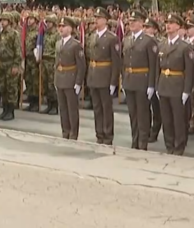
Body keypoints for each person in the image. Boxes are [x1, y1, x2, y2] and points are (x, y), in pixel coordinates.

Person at [156, 13, 194, 155]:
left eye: (172, 23)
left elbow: (189, 71)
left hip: (177, 85)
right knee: (166, 118)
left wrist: (187, 90)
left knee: (178, 119)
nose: (168, 25)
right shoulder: (162, 45)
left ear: (178, 26)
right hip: (164, 84)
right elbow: (157, 68)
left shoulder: (184, 47)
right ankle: (169, 144)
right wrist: (156, 85)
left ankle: (179, 146)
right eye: (167, 22)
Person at [121, 11, 158, 151]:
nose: (131, 23)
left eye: (135, 21)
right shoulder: (127, 39)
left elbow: (153, 65)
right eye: (130, 21)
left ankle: (143, 142)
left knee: (142, 114)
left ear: (142, 23)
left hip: (142, 81)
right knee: (133, 114)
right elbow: (124, 62)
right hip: (130, 80)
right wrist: (123, 80)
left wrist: (151, 85)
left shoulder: (148, 41)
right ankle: (134, 140)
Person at [86, 8, 121, 145]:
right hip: (94, 76)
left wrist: (113, 82)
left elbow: (116, 62)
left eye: (99, 17)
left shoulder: (112, 38)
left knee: (106, 108)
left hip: (105, 76)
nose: (96, 20)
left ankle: (107, 134)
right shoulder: (92, 36)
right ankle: (99, 133)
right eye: (95, 17)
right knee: (97, 107)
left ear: (105, 20)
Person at [54, 16, 86, 140]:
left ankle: (73, 133)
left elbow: (81, 66)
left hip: (71, 79)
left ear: (71, 29)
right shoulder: (58, 43)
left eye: (64, 26)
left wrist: (78, 82)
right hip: (60, 78)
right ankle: (65, 131)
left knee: (72, 109)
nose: (61, 29)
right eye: (60, 26)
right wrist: (55, 79)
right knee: (62, 108)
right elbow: (56, 63)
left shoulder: (76, 45)